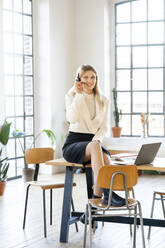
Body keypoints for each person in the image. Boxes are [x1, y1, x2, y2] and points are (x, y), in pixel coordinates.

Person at [62, 64, 125, 208]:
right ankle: (108, 193)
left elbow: (103, 127)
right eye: (85, 77)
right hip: (74, 143)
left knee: (107, 159)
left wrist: (96, 140)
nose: (90, 81)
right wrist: (78, 95)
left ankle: (94, 204)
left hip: (93, 142)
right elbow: (72, 118)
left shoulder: (104, 100)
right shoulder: (71, 95)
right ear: (79, 78)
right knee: (96, 147)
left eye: (93, 77)